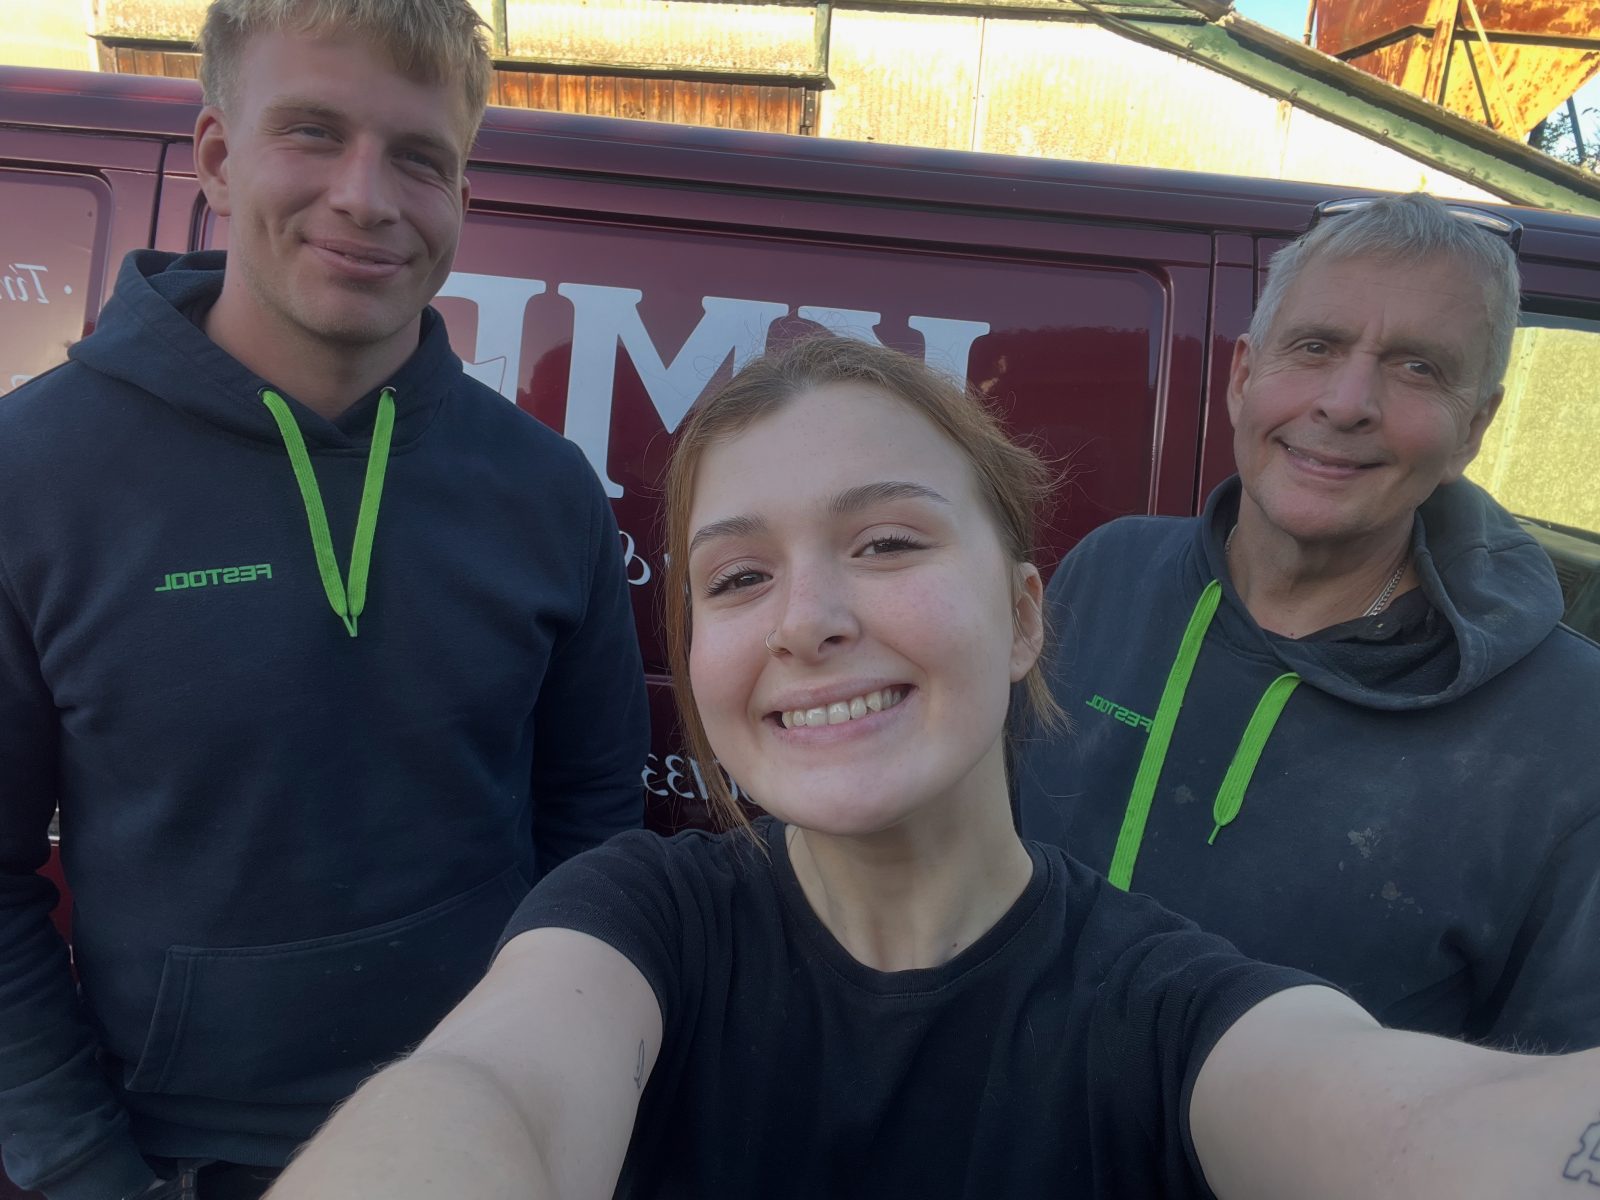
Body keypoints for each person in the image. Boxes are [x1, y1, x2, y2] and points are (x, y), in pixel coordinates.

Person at [263, 336, 1600, 1200]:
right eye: (738, 576)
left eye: (889, 543)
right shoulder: (638, 924)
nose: (806, 619)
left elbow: (1410, 1125)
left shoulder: (1166, 1013)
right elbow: (485, 1093)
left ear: (1025, 616)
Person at [0, 1, 648, 1197]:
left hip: (492, 1138)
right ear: (214, 154)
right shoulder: (32, 474)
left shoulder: (547, 492)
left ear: (461, 191)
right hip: (171, 1161)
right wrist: (89, 1178)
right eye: (312, 132)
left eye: (419, 157)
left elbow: (596, 841)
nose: (367, 196)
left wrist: (568, 1107)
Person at [1017, 192, 1600, 1049]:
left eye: (1419, 368)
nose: (1347, 401)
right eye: (1317, 346)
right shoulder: (1110, 572)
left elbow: (1552, 1116)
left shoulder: (1569, 732)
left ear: (1474, 429)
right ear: (1244, 375)